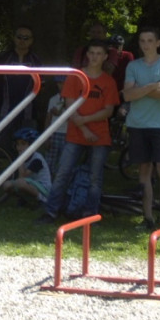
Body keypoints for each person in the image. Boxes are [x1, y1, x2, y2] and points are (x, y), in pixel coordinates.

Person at [41, 39, 118, 224]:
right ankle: (51, 212)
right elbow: (70, 107)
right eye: (91, 53)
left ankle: (90, 215)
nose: (94, 57)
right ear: (86, 55)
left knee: (95, 178)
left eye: (99, 53)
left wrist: (85, 121)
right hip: (76, 135)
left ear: (105, 57)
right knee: (62, 173)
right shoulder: (76, 77)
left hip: (99, 136)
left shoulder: (108, 81)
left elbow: (108, 110)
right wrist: (84, 128)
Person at [123, 27, 160, 229]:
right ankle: (148, 217)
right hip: (137, 124)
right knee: (144, 169)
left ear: (158, 43)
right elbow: (127, 95)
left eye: (149, 40)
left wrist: (139, 89)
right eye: (142, 41)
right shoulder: (133, 66)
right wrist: (153, 86)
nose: (145, 44)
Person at [0, 26, 42, 134]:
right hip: (3, 111)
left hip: (28, 112)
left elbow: (41, 83)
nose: (22, 41)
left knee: (27, 142)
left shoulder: (36, 60)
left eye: (26, 38)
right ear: (14, 38)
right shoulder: (3, 58)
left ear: (31, 41)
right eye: (19, 37)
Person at [0, 126, 52, 205]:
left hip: (43, 187)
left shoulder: (37, 159)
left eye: (23, 144)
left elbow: (22, 176)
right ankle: (25, 199)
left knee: (20, 183)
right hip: (29, 183)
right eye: (18, 144)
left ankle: (42, 200)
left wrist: (21, 161)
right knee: (6, 185)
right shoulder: (22, 157)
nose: (19, 147)